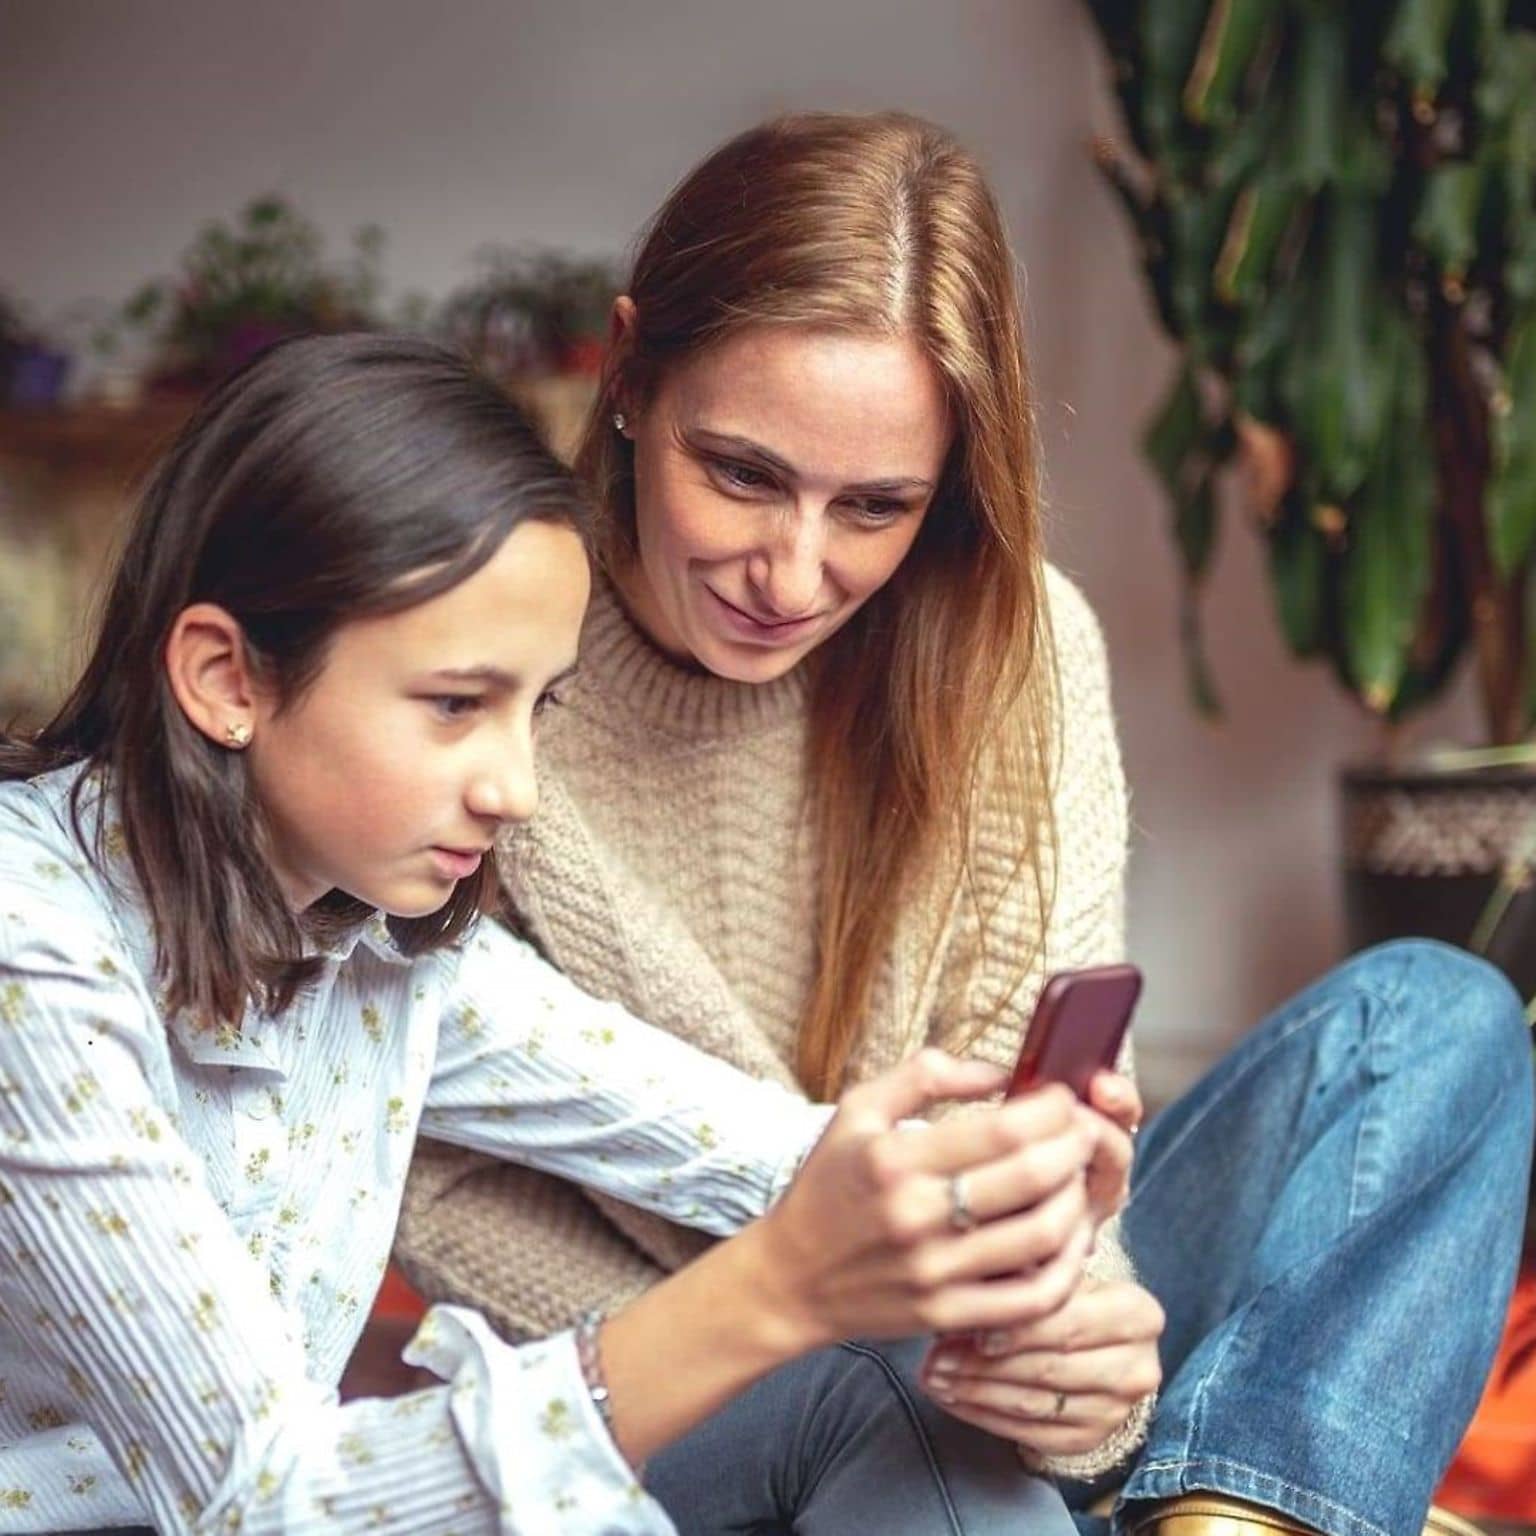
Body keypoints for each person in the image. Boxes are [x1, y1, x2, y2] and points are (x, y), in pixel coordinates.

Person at [396, 113, 1536, 1536]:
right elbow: (432, 1191)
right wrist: (847, 1321)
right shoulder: (471, 666)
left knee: (1435, 1020)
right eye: (742, 473)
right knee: (897, 1406)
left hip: (959, 1330)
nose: (794, 572)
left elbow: (1036, 1119)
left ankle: (1234, 1514)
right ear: (628, 378)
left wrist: (1082, 1336)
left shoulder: (1020, 651)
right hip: (681, 1374)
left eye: (876, 506)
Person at [0, 333, 1131, 1535]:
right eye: (454, 705)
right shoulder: (30, 944)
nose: (515, 789)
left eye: (536, 708)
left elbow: (748, 1149)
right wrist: (781, 1286)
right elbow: (266, 1498)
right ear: (227, 678)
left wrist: (1002, 1207)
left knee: (891, 1397)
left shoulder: (379, 935)